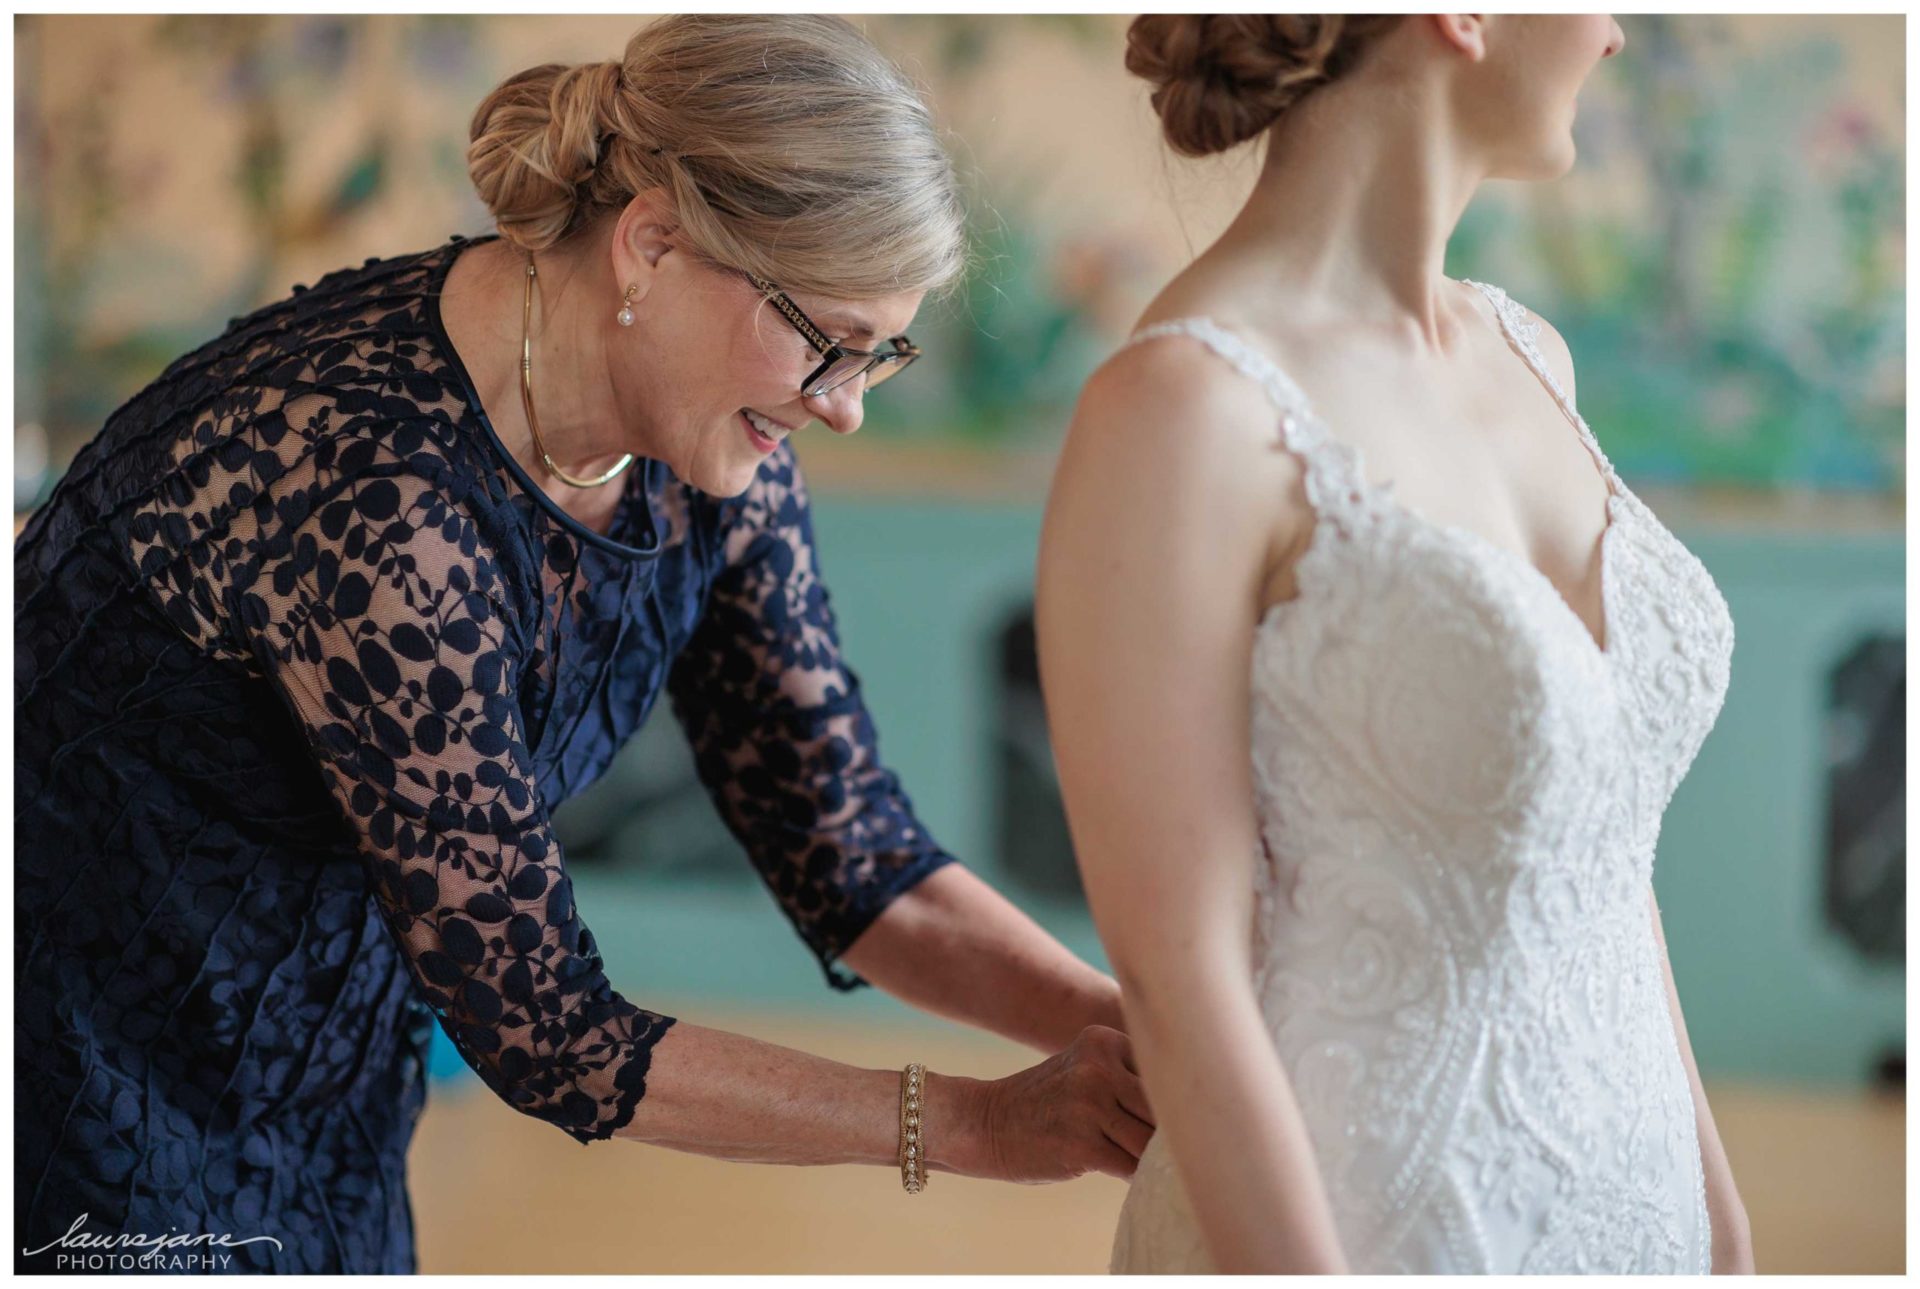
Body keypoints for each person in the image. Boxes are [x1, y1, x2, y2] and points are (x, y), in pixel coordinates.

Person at [15, 15, 1154, 1275]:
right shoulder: (376, 490)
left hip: (315, 1070)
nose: (847, 403)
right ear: (652, 243)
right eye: (826, 339)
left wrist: (1141, 1039)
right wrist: (982, 1121)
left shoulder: (704, 457)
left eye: (881, 347)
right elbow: (552, 1031)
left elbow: (848, 848)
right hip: (67, 1059)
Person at [1036, 14, 1754, 1274]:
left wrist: (1719, 1220)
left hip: (1638, 1212)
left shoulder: (1532, 355)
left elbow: (1594, 842)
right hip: (1364, 1225)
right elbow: (1178, 978)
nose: (1618, 34)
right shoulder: (1181, 413)